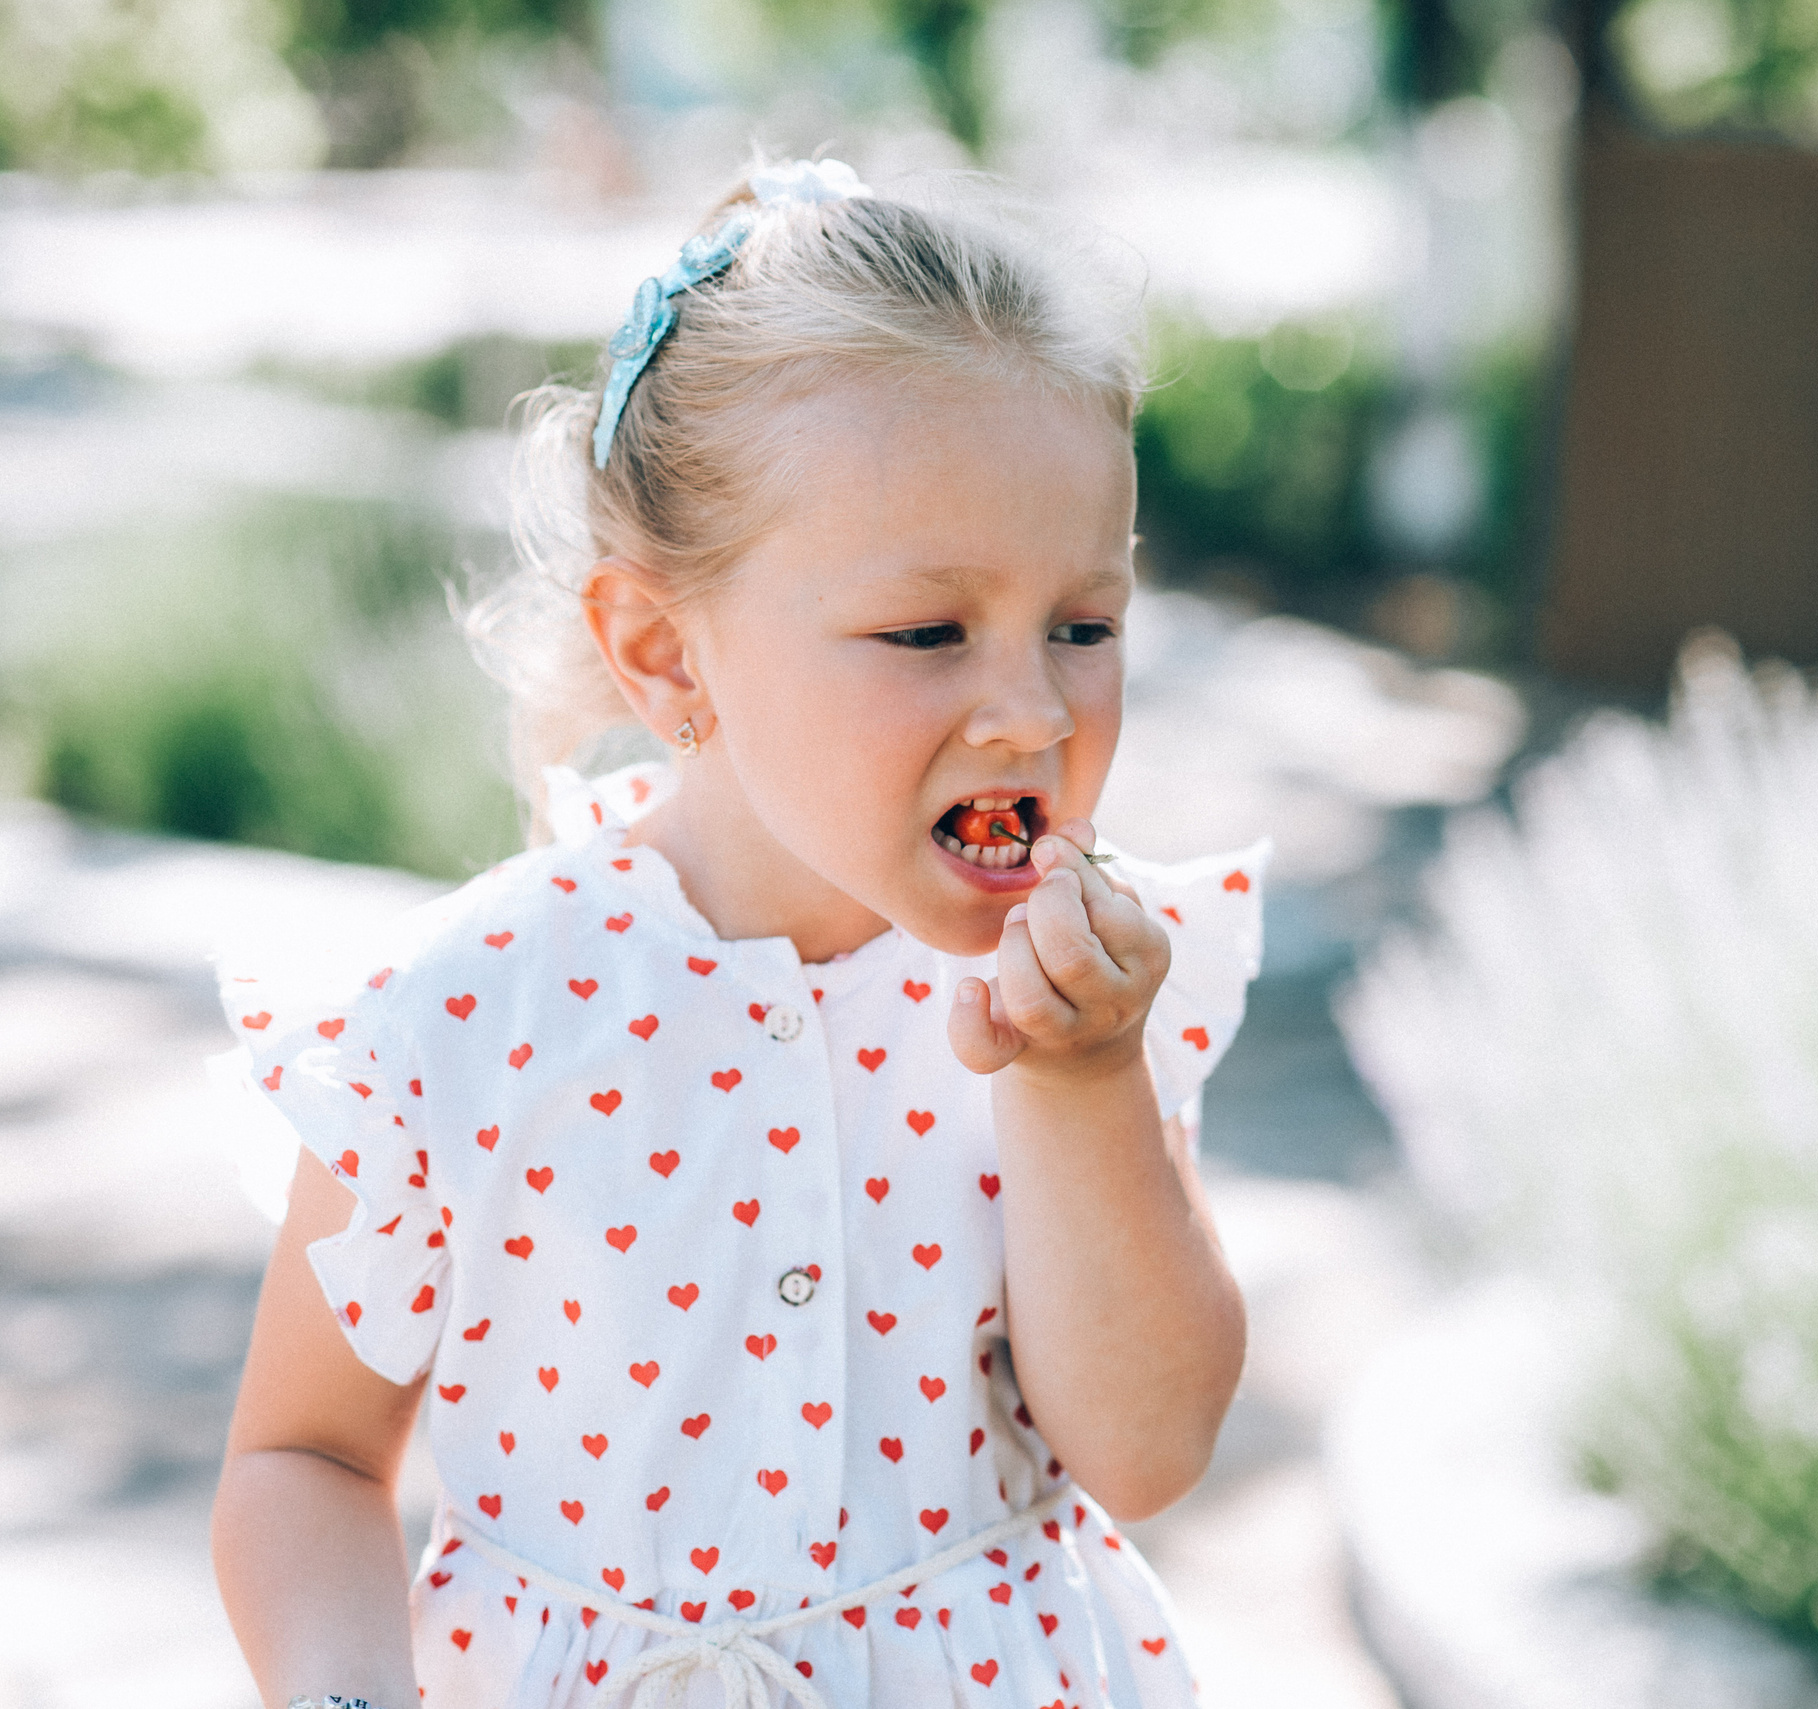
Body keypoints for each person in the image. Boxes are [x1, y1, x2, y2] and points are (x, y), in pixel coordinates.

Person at [207, 156, 1264, 1709]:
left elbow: (1150, 1448)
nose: (1033, 710)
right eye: (926, 631)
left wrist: (1080, 1079)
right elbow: (300, 1452)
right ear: (661, 651)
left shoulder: (1089, 992)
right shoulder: (465, 1016)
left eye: (1084, 625)